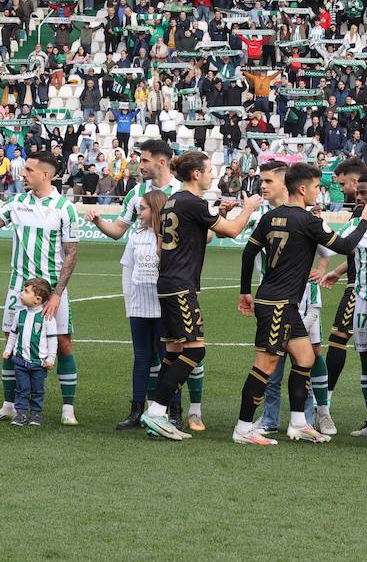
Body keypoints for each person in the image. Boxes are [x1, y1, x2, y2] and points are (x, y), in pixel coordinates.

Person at [233, 163, 367, 445]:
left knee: (306, 358)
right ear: (302, 189)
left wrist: (244, 291)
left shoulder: (271, 217)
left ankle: (298, 422)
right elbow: (346, 248)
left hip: (277, 300)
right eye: (315, 188)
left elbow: (249, 251)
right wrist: (365, 222)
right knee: (265, 364)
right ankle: (243, 428)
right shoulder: (309, 221)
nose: (318, 193)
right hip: (278, 304)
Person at [0, 151, 82, 425]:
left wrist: (58, 294)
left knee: (62, 343)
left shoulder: (65, 208)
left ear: (45, 175)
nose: (23, 174)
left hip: (52, 292)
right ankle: (10, 405)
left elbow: (71, 253)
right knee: (11, 344)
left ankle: (68, 409)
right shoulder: (17, 202)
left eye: (28, 170)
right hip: (18, 290)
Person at [142, 151, 260, 441]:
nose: (212, 175)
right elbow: (232, 232)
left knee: (172, 353)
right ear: (196, 173)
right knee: (195, 351)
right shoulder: (193, 202)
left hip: (168, 282)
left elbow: (203, 233)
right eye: (208, 170)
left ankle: (158, 413)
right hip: (181, 285)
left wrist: (219, 213)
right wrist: (248, 208)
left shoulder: (175, 201)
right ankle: (156, 412)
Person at [82, 140, 196, 428]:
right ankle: (138, 410)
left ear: (161, 161)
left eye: (144, 160)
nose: (139, 165)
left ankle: (178, 411)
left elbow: (202, 235)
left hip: (173, 286)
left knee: (175, 353)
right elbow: (118, 231)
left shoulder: (182, 193)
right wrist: (98, 222)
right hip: (140, 288)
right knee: (144, 355)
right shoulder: (136, 193)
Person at [319, 171, 367, 436]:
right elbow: (334, 247)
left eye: (364, 193)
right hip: (362, 300)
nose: (359, 197)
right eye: (358, 193)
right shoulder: (356, 223)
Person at [105, 189, 168, 430]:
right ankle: (136, 410)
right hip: (140, 307)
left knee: (167, 360)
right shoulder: (136, 237)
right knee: (141, 358)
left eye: (143, 208)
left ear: (156, 209)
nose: (139, 213)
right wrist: (129, 303)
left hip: (163, 309)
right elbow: (127, 271)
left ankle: (172, 411)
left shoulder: (171, 237)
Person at [320, 158, 367, 404]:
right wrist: (338, 271)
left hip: (359, 287)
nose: (340, 189)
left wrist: (316, 227)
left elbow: (348, 246)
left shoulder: (363, 211)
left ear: (356, 182)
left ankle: (324, 400)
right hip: (362, 281)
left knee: (338, 338)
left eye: (342, 184)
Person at [4, 277, 58, 426]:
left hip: (38, 363)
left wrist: (51, 358)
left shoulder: (47, 318)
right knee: (21, 388)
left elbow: (53, 340)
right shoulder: (19, 315)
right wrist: (8, 350)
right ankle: (20, 413)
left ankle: (35, 414)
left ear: (37, 299)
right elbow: (14, 334)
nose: (21, 293)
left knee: (37, 390)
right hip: (20, 361)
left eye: (26, 291)